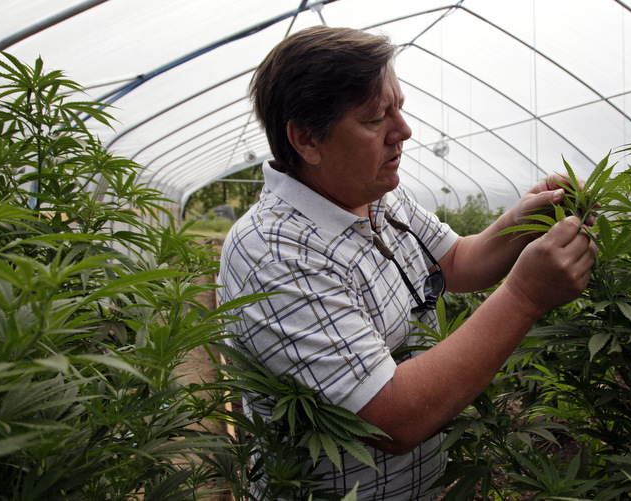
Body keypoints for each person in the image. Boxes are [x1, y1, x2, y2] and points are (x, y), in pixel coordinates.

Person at [216, 25, 597, 500]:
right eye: (377, 118)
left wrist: (519, 221)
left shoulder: (373, 196)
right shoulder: (275, 251)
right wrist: (524, 296)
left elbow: (456, 260)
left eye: (400, 108)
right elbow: (392, 417)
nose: (404, 131)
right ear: (307, 139)